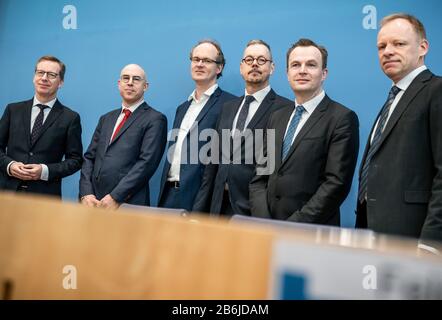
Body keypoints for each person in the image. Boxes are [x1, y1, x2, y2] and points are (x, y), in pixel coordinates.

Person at [249, 39, 359, 225]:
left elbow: (335, 185)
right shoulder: (277, 117)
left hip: (311, 233)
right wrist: (264, 222)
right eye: (295, 65)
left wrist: (292, 226)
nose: (302, 70)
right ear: (287, 73)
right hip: (268, 231)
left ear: (324, 73)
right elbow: (260, 178)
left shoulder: (342, 118)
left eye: (311, 65)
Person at [356, 13, 442, 242]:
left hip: (415, 238)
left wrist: (431, 241)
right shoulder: (393, 99)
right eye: (381, 46)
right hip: (372, 233)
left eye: (399, 44)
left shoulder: (436, 91)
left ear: (423, 47)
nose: (387, 51)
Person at [193, 40, 292, 216]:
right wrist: (200, 211)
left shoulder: (285, 109)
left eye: (261, 60)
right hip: (219, 208)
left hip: (256, 210)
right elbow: (212, 164)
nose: (254, 64)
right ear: (241, 67)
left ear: (272, 68)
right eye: (249, 60)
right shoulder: (228, 108)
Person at [157, 39, 236, 211]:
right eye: (196, 59)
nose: (199, 64)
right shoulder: (182, 108)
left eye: (207, 61)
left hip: (201, 200)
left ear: (219, 68)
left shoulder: (230, 104)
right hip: (168, 195)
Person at [79, 64, 167, 209]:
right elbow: (89, 158)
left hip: (127, 203)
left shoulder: (155, 119)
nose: (130, 82)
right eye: (126, 78)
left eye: (136, 79)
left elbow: (146, 163)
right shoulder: (106, 118)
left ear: (145, 86)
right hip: (93, 203)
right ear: (119, 84)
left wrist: (116, 196)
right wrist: (86, 193)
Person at [0, 55, 83, 197]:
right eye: (40, 72)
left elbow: (75, 160)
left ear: (61, 82)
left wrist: (44, 171)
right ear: (34, 77)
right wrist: (9, 165)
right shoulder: (13, 110)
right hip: (7, 193)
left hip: (45, 197)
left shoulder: (70, 118)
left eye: (51, 75)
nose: (44, 78)